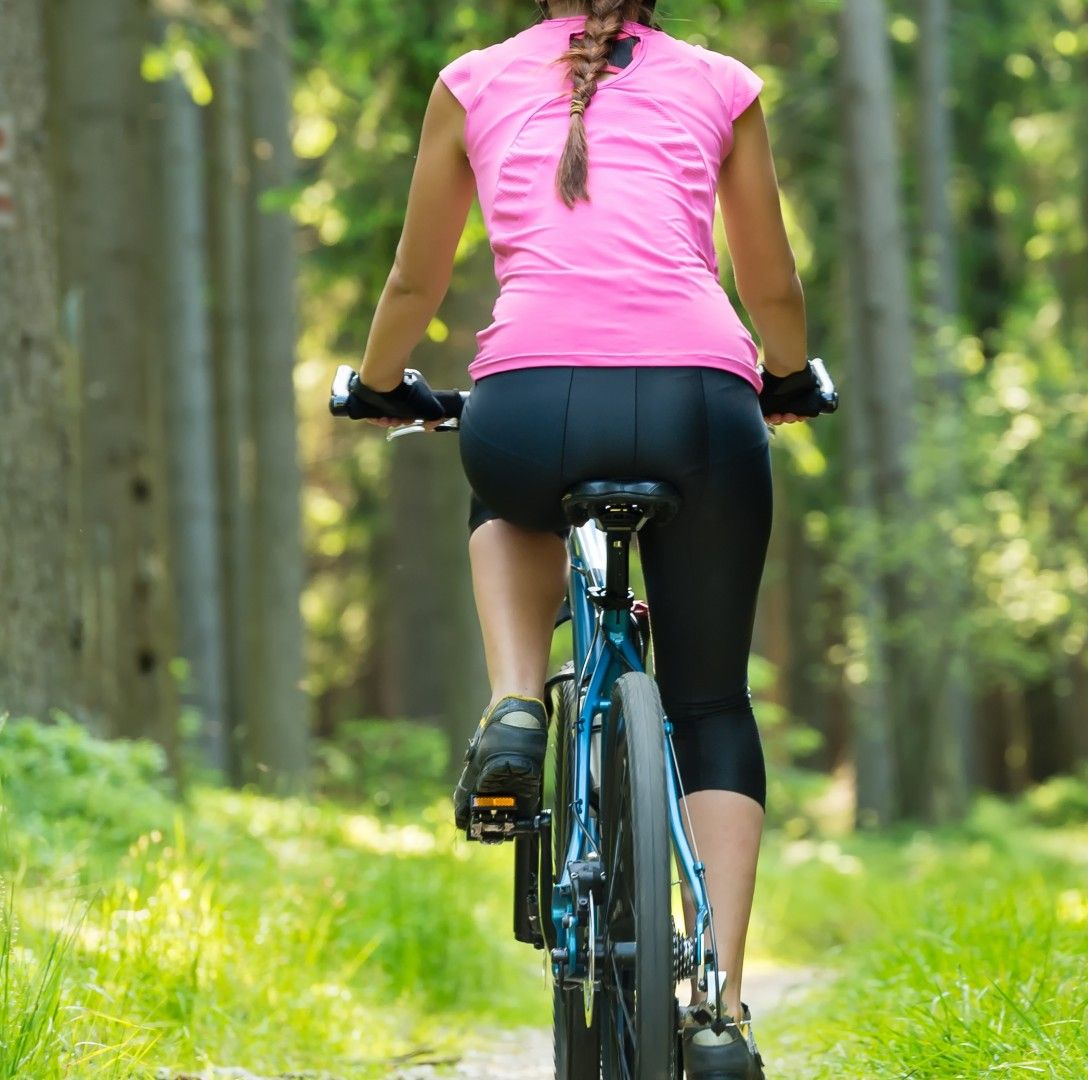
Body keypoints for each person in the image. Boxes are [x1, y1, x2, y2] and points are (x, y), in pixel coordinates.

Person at [346, 1, 827, 1073]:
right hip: (702, 398)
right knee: (710, 702)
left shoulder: (469, 81)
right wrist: (787, 378)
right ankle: (721, 1006)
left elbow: (415, 281)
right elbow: (772, 282)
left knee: (506, 490)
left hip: (530, 401)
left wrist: (380, 388)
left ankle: (517, 701)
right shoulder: (722, 82)